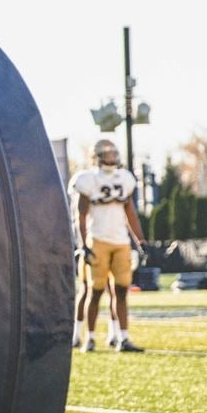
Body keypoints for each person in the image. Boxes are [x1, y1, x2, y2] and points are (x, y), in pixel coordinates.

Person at [70, 139, 146, 353]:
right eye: (106, 153)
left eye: (113, 153)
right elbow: (80, 216)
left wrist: (140, 240)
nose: (111, 157)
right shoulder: (87, 179)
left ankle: (122, 337)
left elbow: (130, 212)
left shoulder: (125, 178)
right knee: (93, 292)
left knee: (121, 291)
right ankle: (89, 338)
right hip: (98, 240)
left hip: (121, 240)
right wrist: (83, 243)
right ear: (97, 156)